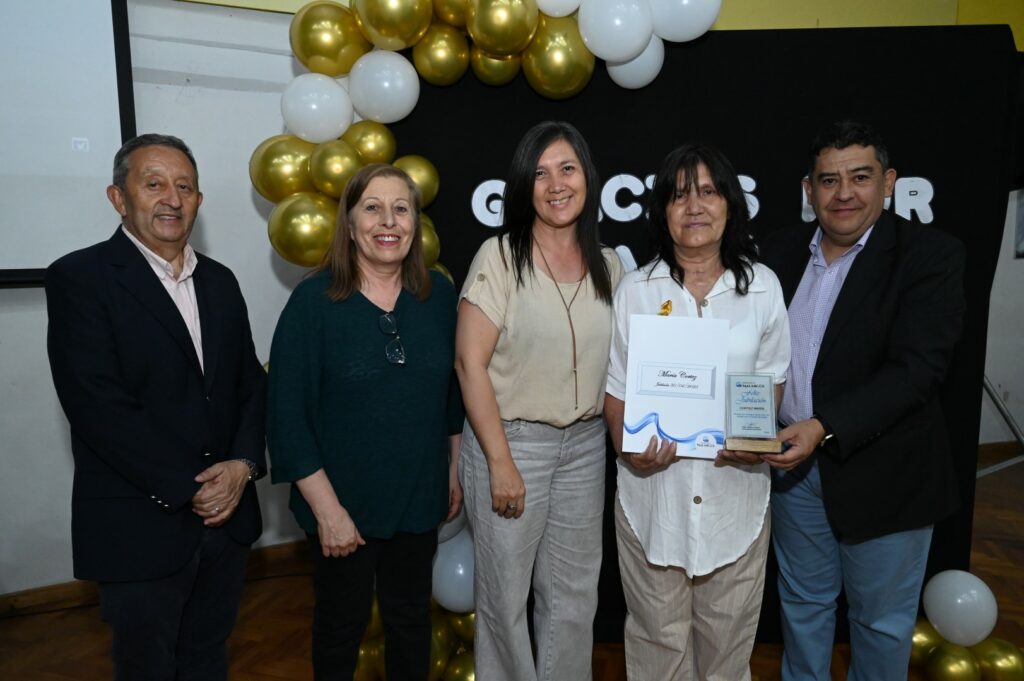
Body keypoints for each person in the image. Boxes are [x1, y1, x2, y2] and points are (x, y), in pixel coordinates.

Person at [45, 134, 266, 680]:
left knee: (208, 658)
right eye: (154, 184)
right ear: (118, 198)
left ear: (199, 201)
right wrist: (194, 487)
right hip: (140, 523)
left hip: (228, 519)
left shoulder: (220, 281)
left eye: (185, 187)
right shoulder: (81, 278)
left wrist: (242, 466)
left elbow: (250, 384)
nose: (172, 198)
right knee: (145, 667)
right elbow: (97, 405)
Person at [759, 120, 966, 680]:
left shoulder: (929, 256)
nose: (843, 193)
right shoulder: (777, 253)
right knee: (802, 606)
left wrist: (821, 426)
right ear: (809, 190)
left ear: (888, 182)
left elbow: (917, 372)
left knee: (880, 624)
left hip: (886, 477)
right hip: (793, 472)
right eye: (829, 180)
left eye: (860, 177)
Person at [266, 164, 463, 681]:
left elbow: (452, 395)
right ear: (349, 224)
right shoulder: (313, 303)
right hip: (341, 507)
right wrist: (328, 512)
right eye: (372, 208)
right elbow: (286, 417)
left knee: (411, 622)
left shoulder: (439, 297)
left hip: (418, 497)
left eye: (401, 209)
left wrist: (454, 470)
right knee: (340, 628)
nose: (388, 221)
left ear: (415, 223)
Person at [604, 143, 791, 680]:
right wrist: (629, 450)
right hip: (652, 504)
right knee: (656, 653)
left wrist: (751, 437)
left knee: (727, 658)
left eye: (708, 192)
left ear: (730, 204)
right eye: (680, 195)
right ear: (662, 210)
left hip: (735, 502)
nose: (694, 207)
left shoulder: (762, 287)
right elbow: (616, 388)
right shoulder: (636, 290)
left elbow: (772, 382)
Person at [455, 120, 624, 681]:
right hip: (512, 442)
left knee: (575, 598)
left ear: (587, 177)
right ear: (523, 186)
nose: (556, 184)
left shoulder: (610, 264)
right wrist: (500, 462)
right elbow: (469, 364)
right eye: (541, 173)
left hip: (585, 446)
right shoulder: (500, 256)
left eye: (567, 169)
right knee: (504, 601)